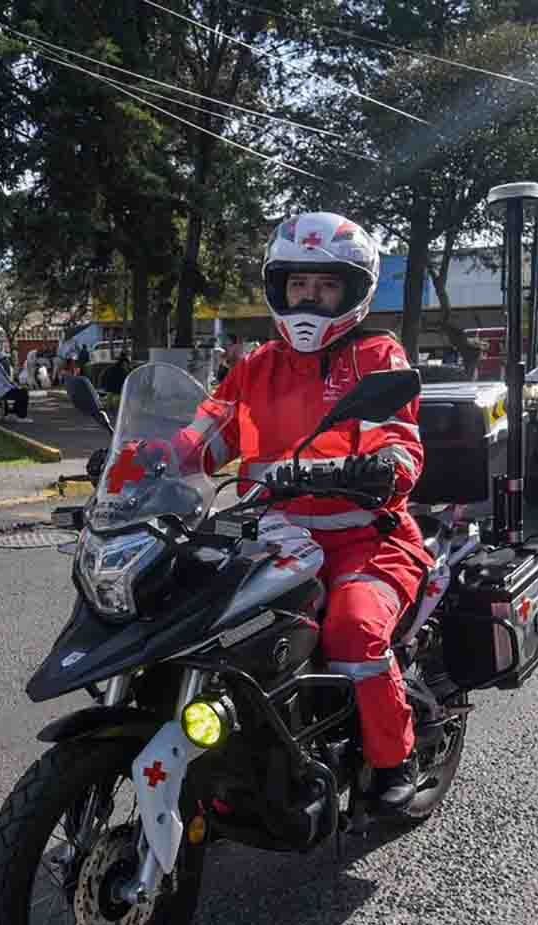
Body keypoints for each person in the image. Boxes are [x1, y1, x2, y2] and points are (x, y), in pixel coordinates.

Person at [173, 211, 431, 811]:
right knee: (206, 624)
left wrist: (383, 466)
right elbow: (206, 434)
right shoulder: (256, 366)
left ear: (353, 291)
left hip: (366, 539)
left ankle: (396, 759)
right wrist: (147, 457)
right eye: (298, 285)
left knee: (354, 629)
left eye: (325, 285)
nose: (309, 298)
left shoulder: (377, 358)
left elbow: (399, 437)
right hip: (273, 537)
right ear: (278, 288)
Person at [0, 350, 33, 422]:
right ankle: (21, 417)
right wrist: (15, 387)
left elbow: (3, 380)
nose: (6, 361)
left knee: (18, 392)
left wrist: (14, 387)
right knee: (23, 393)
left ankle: (9, 413)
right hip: (0, 391)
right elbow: (5, 379)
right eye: (5, 359)